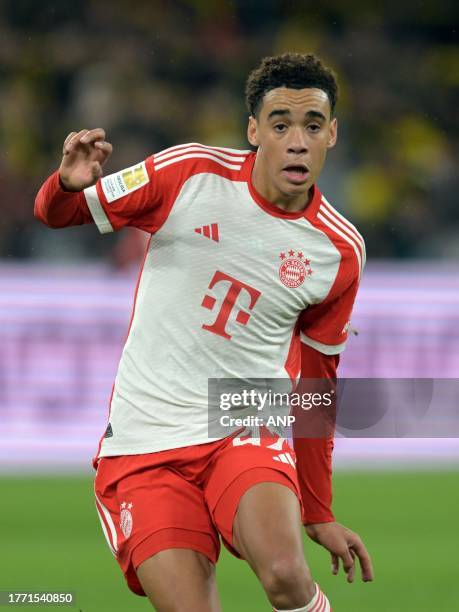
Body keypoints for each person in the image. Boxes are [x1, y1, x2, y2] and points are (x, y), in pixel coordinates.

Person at [35, 52, 373, 612]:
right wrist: (65, 185)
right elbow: (61, 213)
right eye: (280, 124)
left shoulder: (339, 250)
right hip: (146, 439)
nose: (296, 141)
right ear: (253, 131)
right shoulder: (191, 172)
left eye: (312, 126)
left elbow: (318, 381)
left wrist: (319, 512)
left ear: (332, 134)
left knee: (288, 576)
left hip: (240, 417)